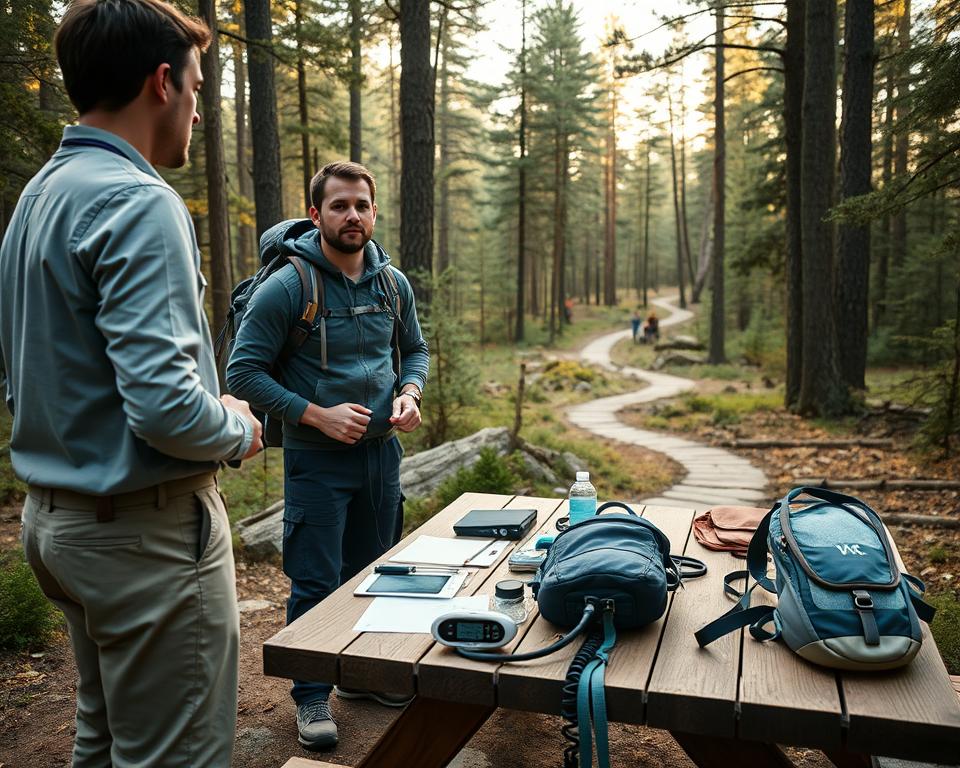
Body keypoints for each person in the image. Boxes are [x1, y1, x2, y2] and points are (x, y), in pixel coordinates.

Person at [0, 1, 264, 765]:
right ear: (161, 82)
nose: (198, 106)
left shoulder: (39, 197)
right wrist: (238, 427)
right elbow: (166, 407)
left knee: (105, 739)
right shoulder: (139, 202)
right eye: (197, 86)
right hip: (142, 538)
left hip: (58, 526)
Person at [226, 161, 429, 751]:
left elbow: (413, 351)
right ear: (316, 214)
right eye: (339, 206)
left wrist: (410, 393)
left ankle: (364, 676)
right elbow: (243, 372)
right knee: (315, 581)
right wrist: (317, 414)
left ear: (373, 211)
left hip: (381, 457)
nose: (352, 216)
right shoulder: (290, 285)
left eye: (361, 205)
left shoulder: (393, 283)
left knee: (379, 574)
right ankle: (313, 695)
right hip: (316, 460)